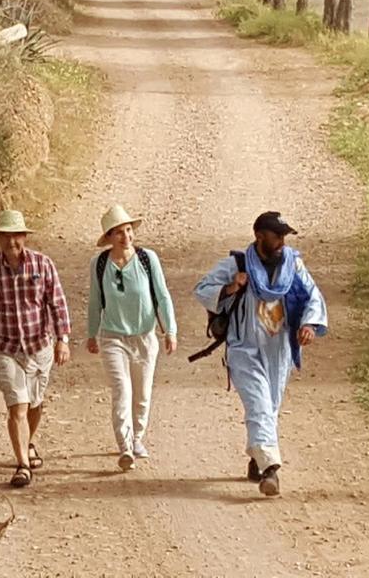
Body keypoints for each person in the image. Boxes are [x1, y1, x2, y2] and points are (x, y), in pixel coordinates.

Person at [193, 211, 327, 496]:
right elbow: (202, 289)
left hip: (279, 348)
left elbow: (312, 295)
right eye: (276, 236)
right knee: (259, 405)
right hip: (244, 347)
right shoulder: (236, 264)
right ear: (259, 236)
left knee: (271, 406)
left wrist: (309, 324)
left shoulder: (293, 264)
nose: (281, 241)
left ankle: (257, 458)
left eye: (283, 236)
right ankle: (271, 470)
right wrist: (231, 287)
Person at [0, 209, 72, 488]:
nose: (11, 242)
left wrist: (63, 339)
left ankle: (28, 442)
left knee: (34, 404)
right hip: (5, 348)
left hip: (39, 346)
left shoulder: (43, 265)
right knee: (18, 405)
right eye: (6, 237)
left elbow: (57, 303)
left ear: (24, 237)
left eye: (16, 236)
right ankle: (22, 466)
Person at [86, 205, 177, 471]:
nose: (126, 237)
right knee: (121, 391)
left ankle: (137, 437)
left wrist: (169, 330)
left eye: (128, 231)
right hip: (113, 337)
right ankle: (125, 446)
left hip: (145, 337)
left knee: (142, 394)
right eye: (118, 233)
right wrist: (92, 334)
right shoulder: (99, 264)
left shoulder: (148, 259)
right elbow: (94, 302)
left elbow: (162, 295)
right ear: (109, 237)